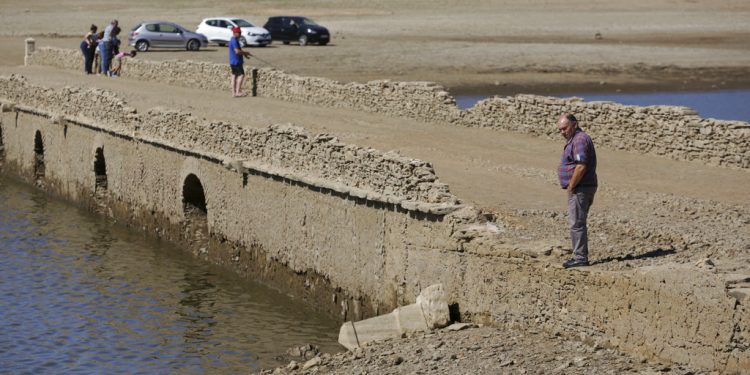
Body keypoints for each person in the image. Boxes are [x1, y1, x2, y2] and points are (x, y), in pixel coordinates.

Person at [556, 113, 598, 269]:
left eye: (565, 128)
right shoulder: (574, 139)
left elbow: (581, 165)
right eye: (560, 130)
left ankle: (580, 257)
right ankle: (579, 255)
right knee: (577, 221)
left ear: (575, 124)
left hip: (581, 187)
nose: (562, 132)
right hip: (583, 186)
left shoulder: (580, 140)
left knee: (576, 223)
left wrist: (572, 186)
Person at [228, 26, 251, 97]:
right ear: (235, 33)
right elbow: (237, 51)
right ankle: (238, 92)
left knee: (234, 75)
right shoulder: (234, 40)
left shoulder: (232, 39)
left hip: (232, 61)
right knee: (241, 75)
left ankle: (233, 92)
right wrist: (246, 53)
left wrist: (245, 55)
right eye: (239, 32)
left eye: (240, 32)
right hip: (236, 61)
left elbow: (238, 51)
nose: (240, 34)